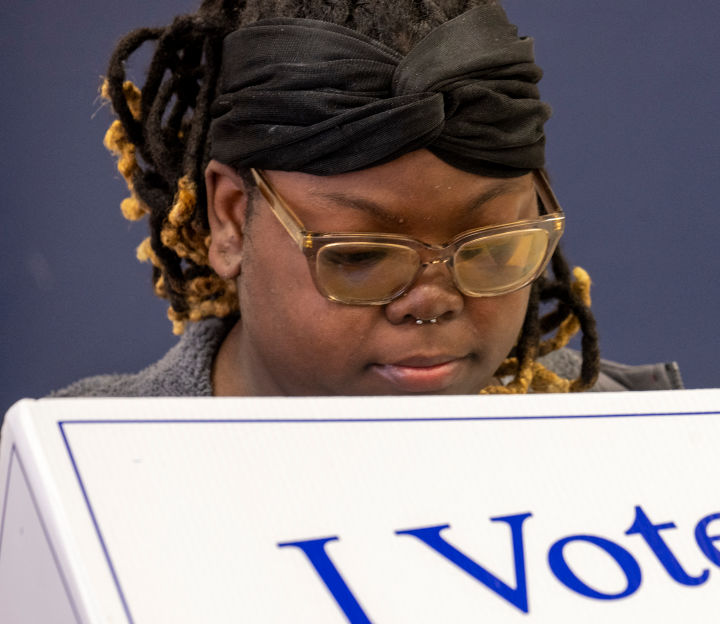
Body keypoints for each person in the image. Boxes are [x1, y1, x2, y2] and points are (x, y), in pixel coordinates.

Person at [53, 0, 681, 398]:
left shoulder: (641, 446)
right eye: (359, 256)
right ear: (230, 220)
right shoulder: (82, 474)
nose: (432, 303)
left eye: (494, 249)